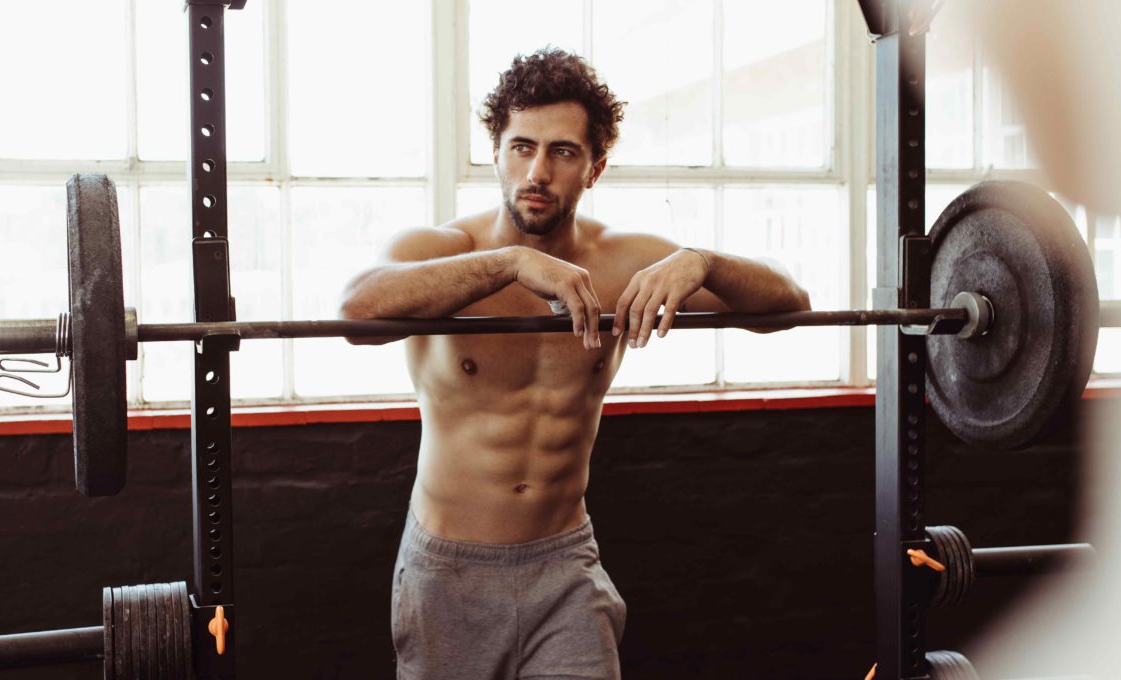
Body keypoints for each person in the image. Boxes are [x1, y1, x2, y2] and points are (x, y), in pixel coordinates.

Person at [338, 47, 812, 680]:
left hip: (563, 565)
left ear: (595, 168)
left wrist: (703, 261)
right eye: (521, 146)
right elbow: (354, 312)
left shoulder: (624, 262)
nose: (537, 170)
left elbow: (790, 303)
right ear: (496, 153)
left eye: (563, 151)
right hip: (447, 571)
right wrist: (509, 264)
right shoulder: (438, 252)